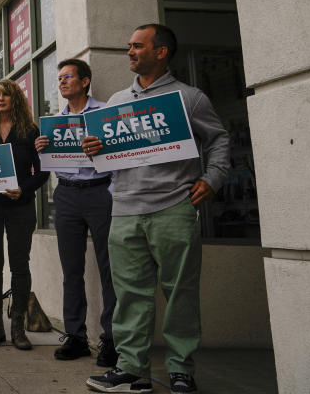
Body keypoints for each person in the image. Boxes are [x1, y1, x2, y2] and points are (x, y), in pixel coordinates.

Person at [84, 24, 229, 394]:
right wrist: (95, 149)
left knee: (180, 292)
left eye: (137, 46)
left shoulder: (190, 98)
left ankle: (181, 369)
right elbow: (109, 154)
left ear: (161, 52)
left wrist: (212, 179)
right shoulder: (116, 102)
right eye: (128, 46)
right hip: (124, 209)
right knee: (130, 295)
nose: (129, 51)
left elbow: (218, 140)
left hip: (174, 207)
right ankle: (133, 371)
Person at [34, 59, 118, 365]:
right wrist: (42, 148)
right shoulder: (55, 122)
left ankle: (111, 339)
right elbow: (51, 163)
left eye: (67, 77)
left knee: (110, 269)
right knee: (71, 270)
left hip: (99, 191)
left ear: (84, 81)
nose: (61, 82)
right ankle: (76, 336)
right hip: (67, 194)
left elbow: (121, 151)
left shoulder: (104, 113)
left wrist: (109, 190)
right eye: (58, 78)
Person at [0, 78, 48, 350]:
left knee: (20, 265)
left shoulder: (29, 130)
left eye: (5, 94)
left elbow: (43, 171)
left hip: (20, 206)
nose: (0, 99)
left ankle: (18, 326)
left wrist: (23, 189)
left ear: (15, 98)